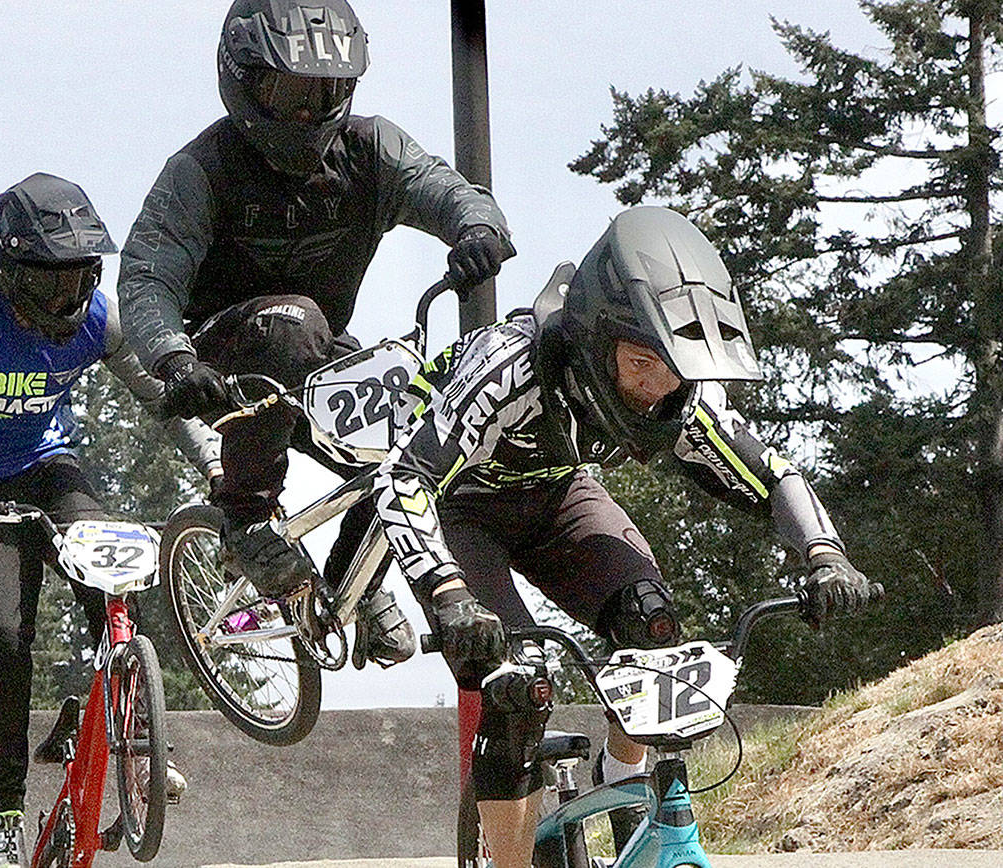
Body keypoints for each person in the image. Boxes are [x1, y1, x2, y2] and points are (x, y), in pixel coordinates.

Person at [371, 206, 882, 867]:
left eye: (670, 371)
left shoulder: (677, 395)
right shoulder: (509, 369)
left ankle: (620, 781)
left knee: (652, 625)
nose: (655, 390)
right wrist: (447, 596)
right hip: (463, 509)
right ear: (593, 336)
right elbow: (403, 478)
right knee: (518, 685)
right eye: (641, 364)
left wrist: (825, 555)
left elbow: (767, 469)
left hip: (558, 499)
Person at [117, 0, 516, 669]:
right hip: (220, 360)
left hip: (316, 352)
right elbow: (147, 278)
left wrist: (477, 230)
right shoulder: (202, 169)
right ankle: (244, 515)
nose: (309, 111)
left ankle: (351, 589)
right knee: (296, 323)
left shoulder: (372, 149)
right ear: (243, 79)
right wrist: (173, 358)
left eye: (327, 92)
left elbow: (449, 190)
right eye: (292, 91)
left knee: (422, 436)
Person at [0, 173, 219, 868]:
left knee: (112, 580)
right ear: (10, 274)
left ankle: (135, 741)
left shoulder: (100, 319)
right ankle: (4, 812)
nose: (69, 299)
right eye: (52, 283)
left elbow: (166, 399)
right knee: (7, 638)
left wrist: (215, 465)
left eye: (81, 279)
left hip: (49, 469)